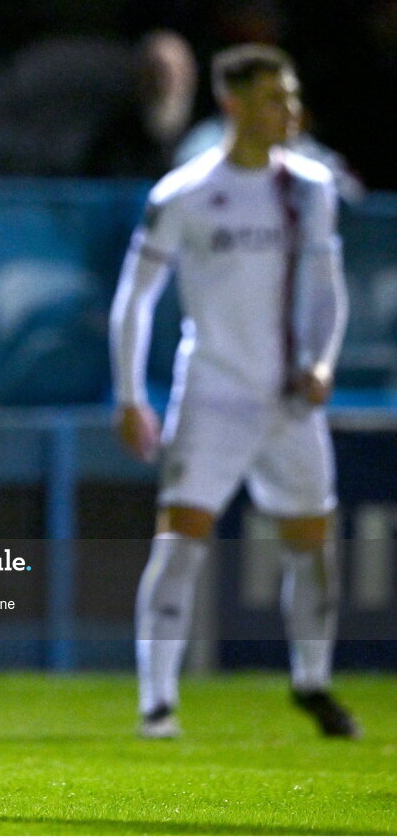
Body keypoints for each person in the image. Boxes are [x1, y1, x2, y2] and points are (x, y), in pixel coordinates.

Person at [109, 44, 360, 740]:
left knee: (314, 544)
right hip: (213, 394)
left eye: (291, 97)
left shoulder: (309, 188)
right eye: (275, 99)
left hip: (290, 399)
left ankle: (312, 681)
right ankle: (157, 703)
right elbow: (135, 299)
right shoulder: (184, 193)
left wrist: (324, 363)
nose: (290, 111)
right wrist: (131, 395)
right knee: (182, 540)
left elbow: (327, 289)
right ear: (234, 104)